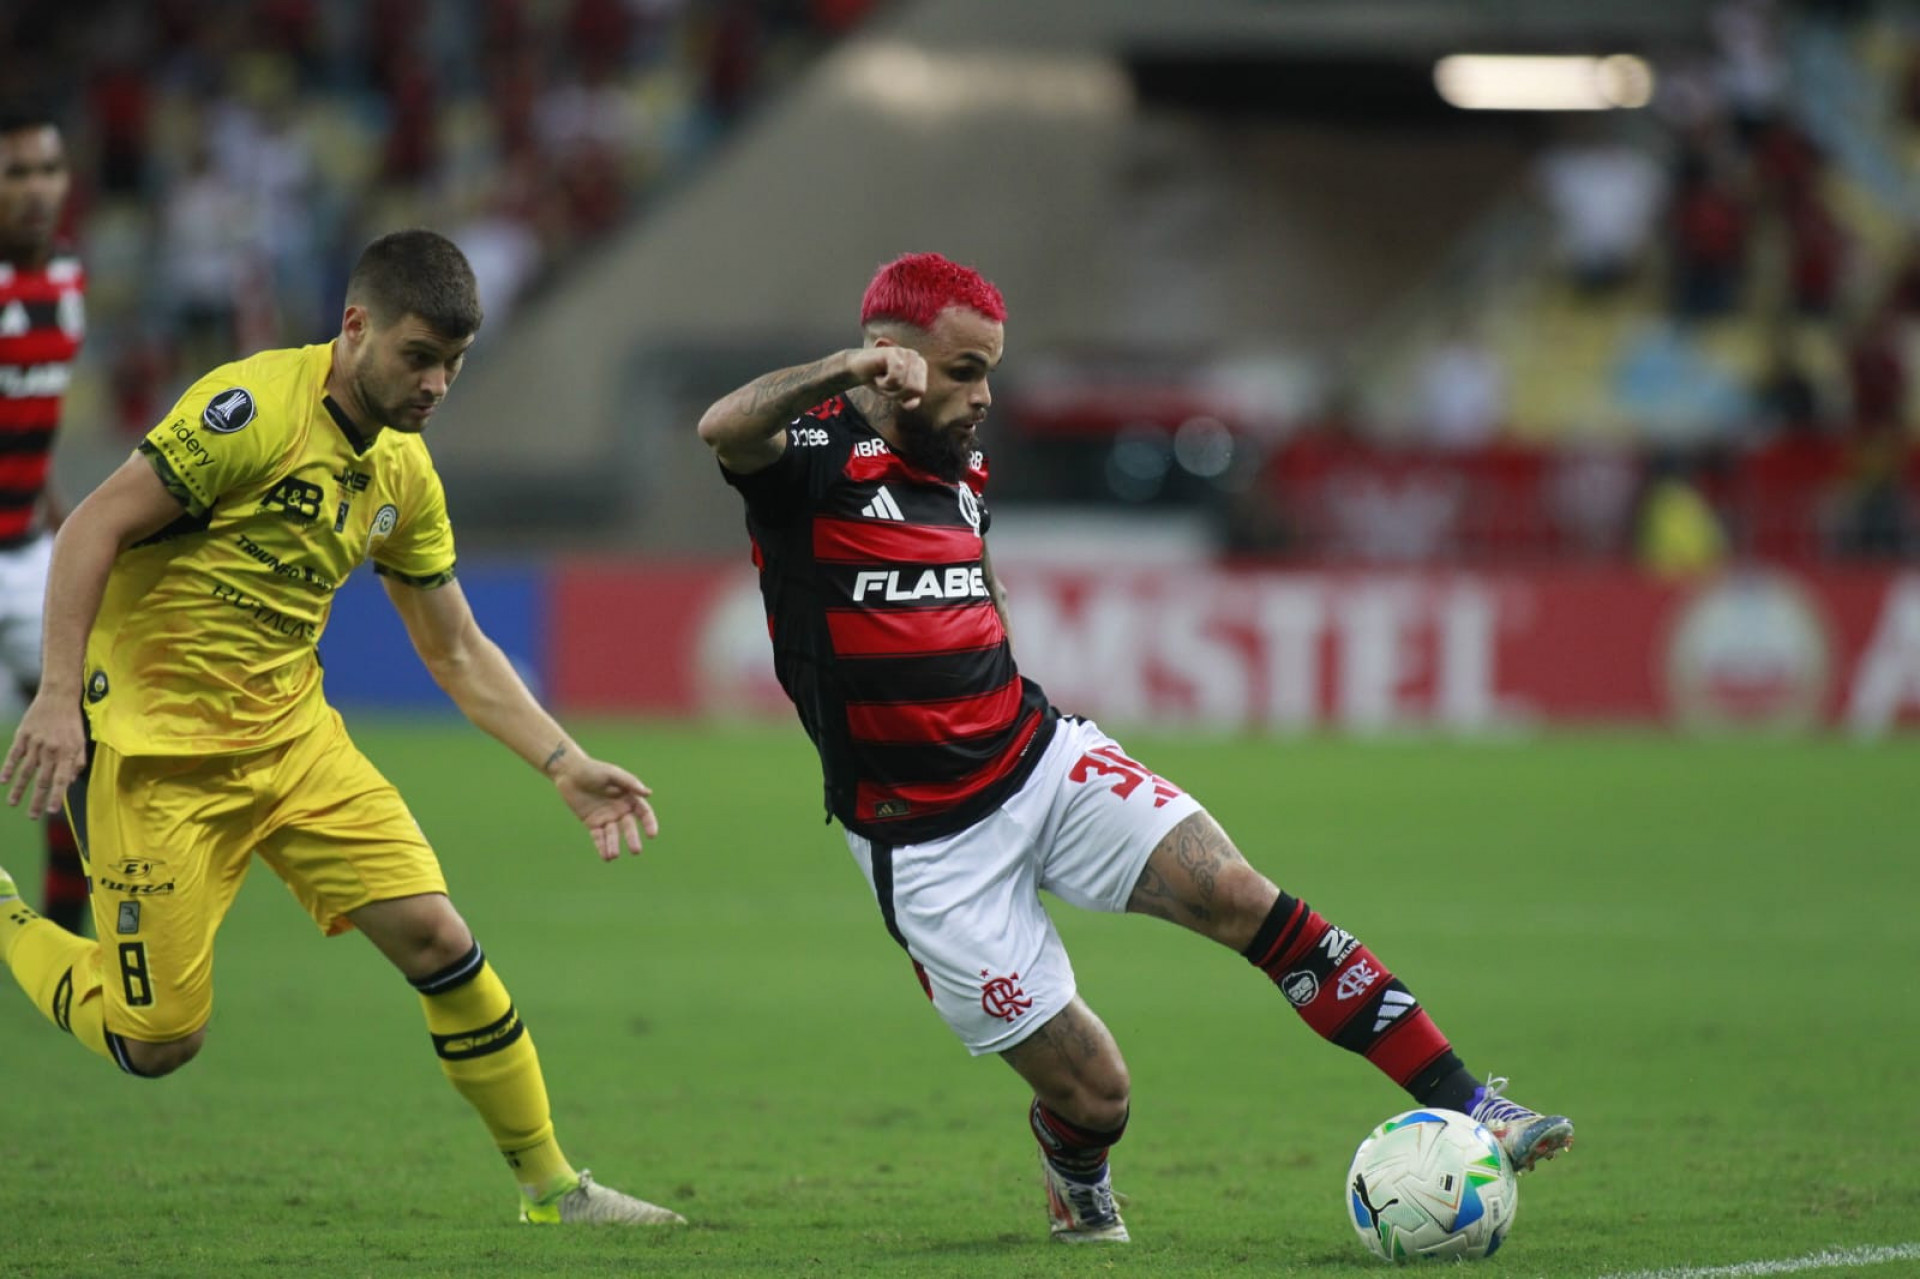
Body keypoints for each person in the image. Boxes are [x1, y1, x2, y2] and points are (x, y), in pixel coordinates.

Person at [696, 252, 1575, 1244]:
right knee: (1099, 1095)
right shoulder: (807, 461)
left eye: (991, 369)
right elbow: (723, 426)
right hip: (929, 848)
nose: (985, 396)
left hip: (1038, 762)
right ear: (891, 359)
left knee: (1242, 893)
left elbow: (971, 590)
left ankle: (1470, 1100)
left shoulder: (961, 469)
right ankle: (1075, 1172)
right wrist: (843, 370)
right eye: (965, 370)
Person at [0, 228, 683, 1228]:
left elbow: (454, 647)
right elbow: (95, 524)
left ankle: (555, 1189)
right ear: (356, 326)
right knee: (157, 1041)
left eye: (453, 362)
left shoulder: (403, 473)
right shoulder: (247, 413)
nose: (437, 383)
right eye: (419, 356)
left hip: (294, 744)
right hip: (161, 758)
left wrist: (563, 759)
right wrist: (59, 693)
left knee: (439, 937)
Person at [0, 105, 89, 936]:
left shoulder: (66, 275)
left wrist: (62, 524)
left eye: (46, 170)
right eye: (14, 173)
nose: (34, 190)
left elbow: (38, 415)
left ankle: (66, 937)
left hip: (30, 553)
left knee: (78, 738)